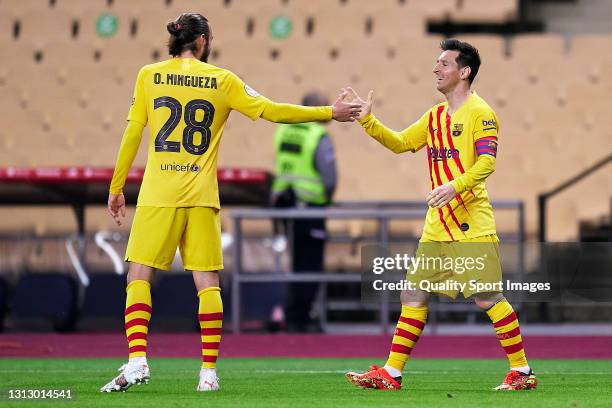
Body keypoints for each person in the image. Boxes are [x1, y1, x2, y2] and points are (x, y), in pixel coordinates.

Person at [101, 12, 361, 393]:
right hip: (202, 197)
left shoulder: (149, 75)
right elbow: (273, 110)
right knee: (207, 283)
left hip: (159, 194)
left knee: (139, 277)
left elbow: (132, 133)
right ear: (203, 41)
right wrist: (328, 114)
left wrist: (117, 186)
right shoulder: (222, 81)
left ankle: (137, 361)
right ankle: (207, 373)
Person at [344, 39, 537, 391]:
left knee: (487, 298)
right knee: (412, 294)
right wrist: (368, 120)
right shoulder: (434, 116)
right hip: (437, 227)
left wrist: (455, 186)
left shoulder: (482, 113)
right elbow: (401, 142)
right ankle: (392, 372)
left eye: (444, 64)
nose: (436, 68)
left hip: (471, 223)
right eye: (437, 63)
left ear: (464, 72)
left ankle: (521, 372)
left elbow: (487, 162)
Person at [271, 91, 337, 332]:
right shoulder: (317, 135)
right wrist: (327, 198)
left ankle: (291, 315)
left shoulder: (284, 130)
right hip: (311, 207)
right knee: (310, 266)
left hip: (286, 204)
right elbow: (328, 177)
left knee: (297, 264)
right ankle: (302, 318)